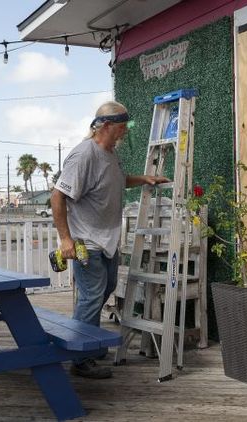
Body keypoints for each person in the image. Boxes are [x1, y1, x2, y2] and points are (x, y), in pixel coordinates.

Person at [51, 100, 168, 379]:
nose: (125, 131)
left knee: (108, 287)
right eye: (121, 126)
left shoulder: (111, 154)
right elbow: (58, 195)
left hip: (108, 240)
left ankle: (86, 340)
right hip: (85, 243)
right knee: (92, 296)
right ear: (105, 126)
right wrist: (65, 239)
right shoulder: (84, 155)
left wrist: (144, 179)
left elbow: (117, 180)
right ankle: (80, 357)